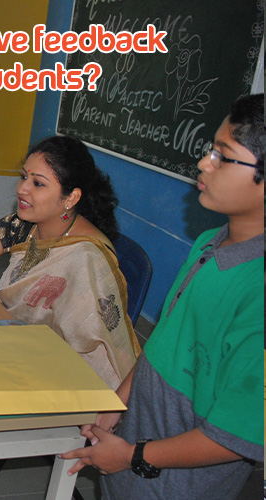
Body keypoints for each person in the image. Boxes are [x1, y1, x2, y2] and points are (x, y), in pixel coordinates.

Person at [60, 93, 264, 499]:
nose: (205, 163)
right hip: (131, 458)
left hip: (173, 483)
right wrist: (118, 402)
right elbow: (165, 340)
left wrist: (133, 456)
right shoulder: (210, 244)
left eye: (224, 156)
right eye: (211, 150)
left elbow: (236, 435)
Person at [0, 135, 140, 390]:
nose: (22, 189)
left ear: (71, 198)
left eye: (38, 184)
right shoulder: (24, 226)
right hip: (14, 347)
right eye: (24, 177)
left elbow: (89, 354)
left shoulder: (86, 258)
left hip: (58, 377)